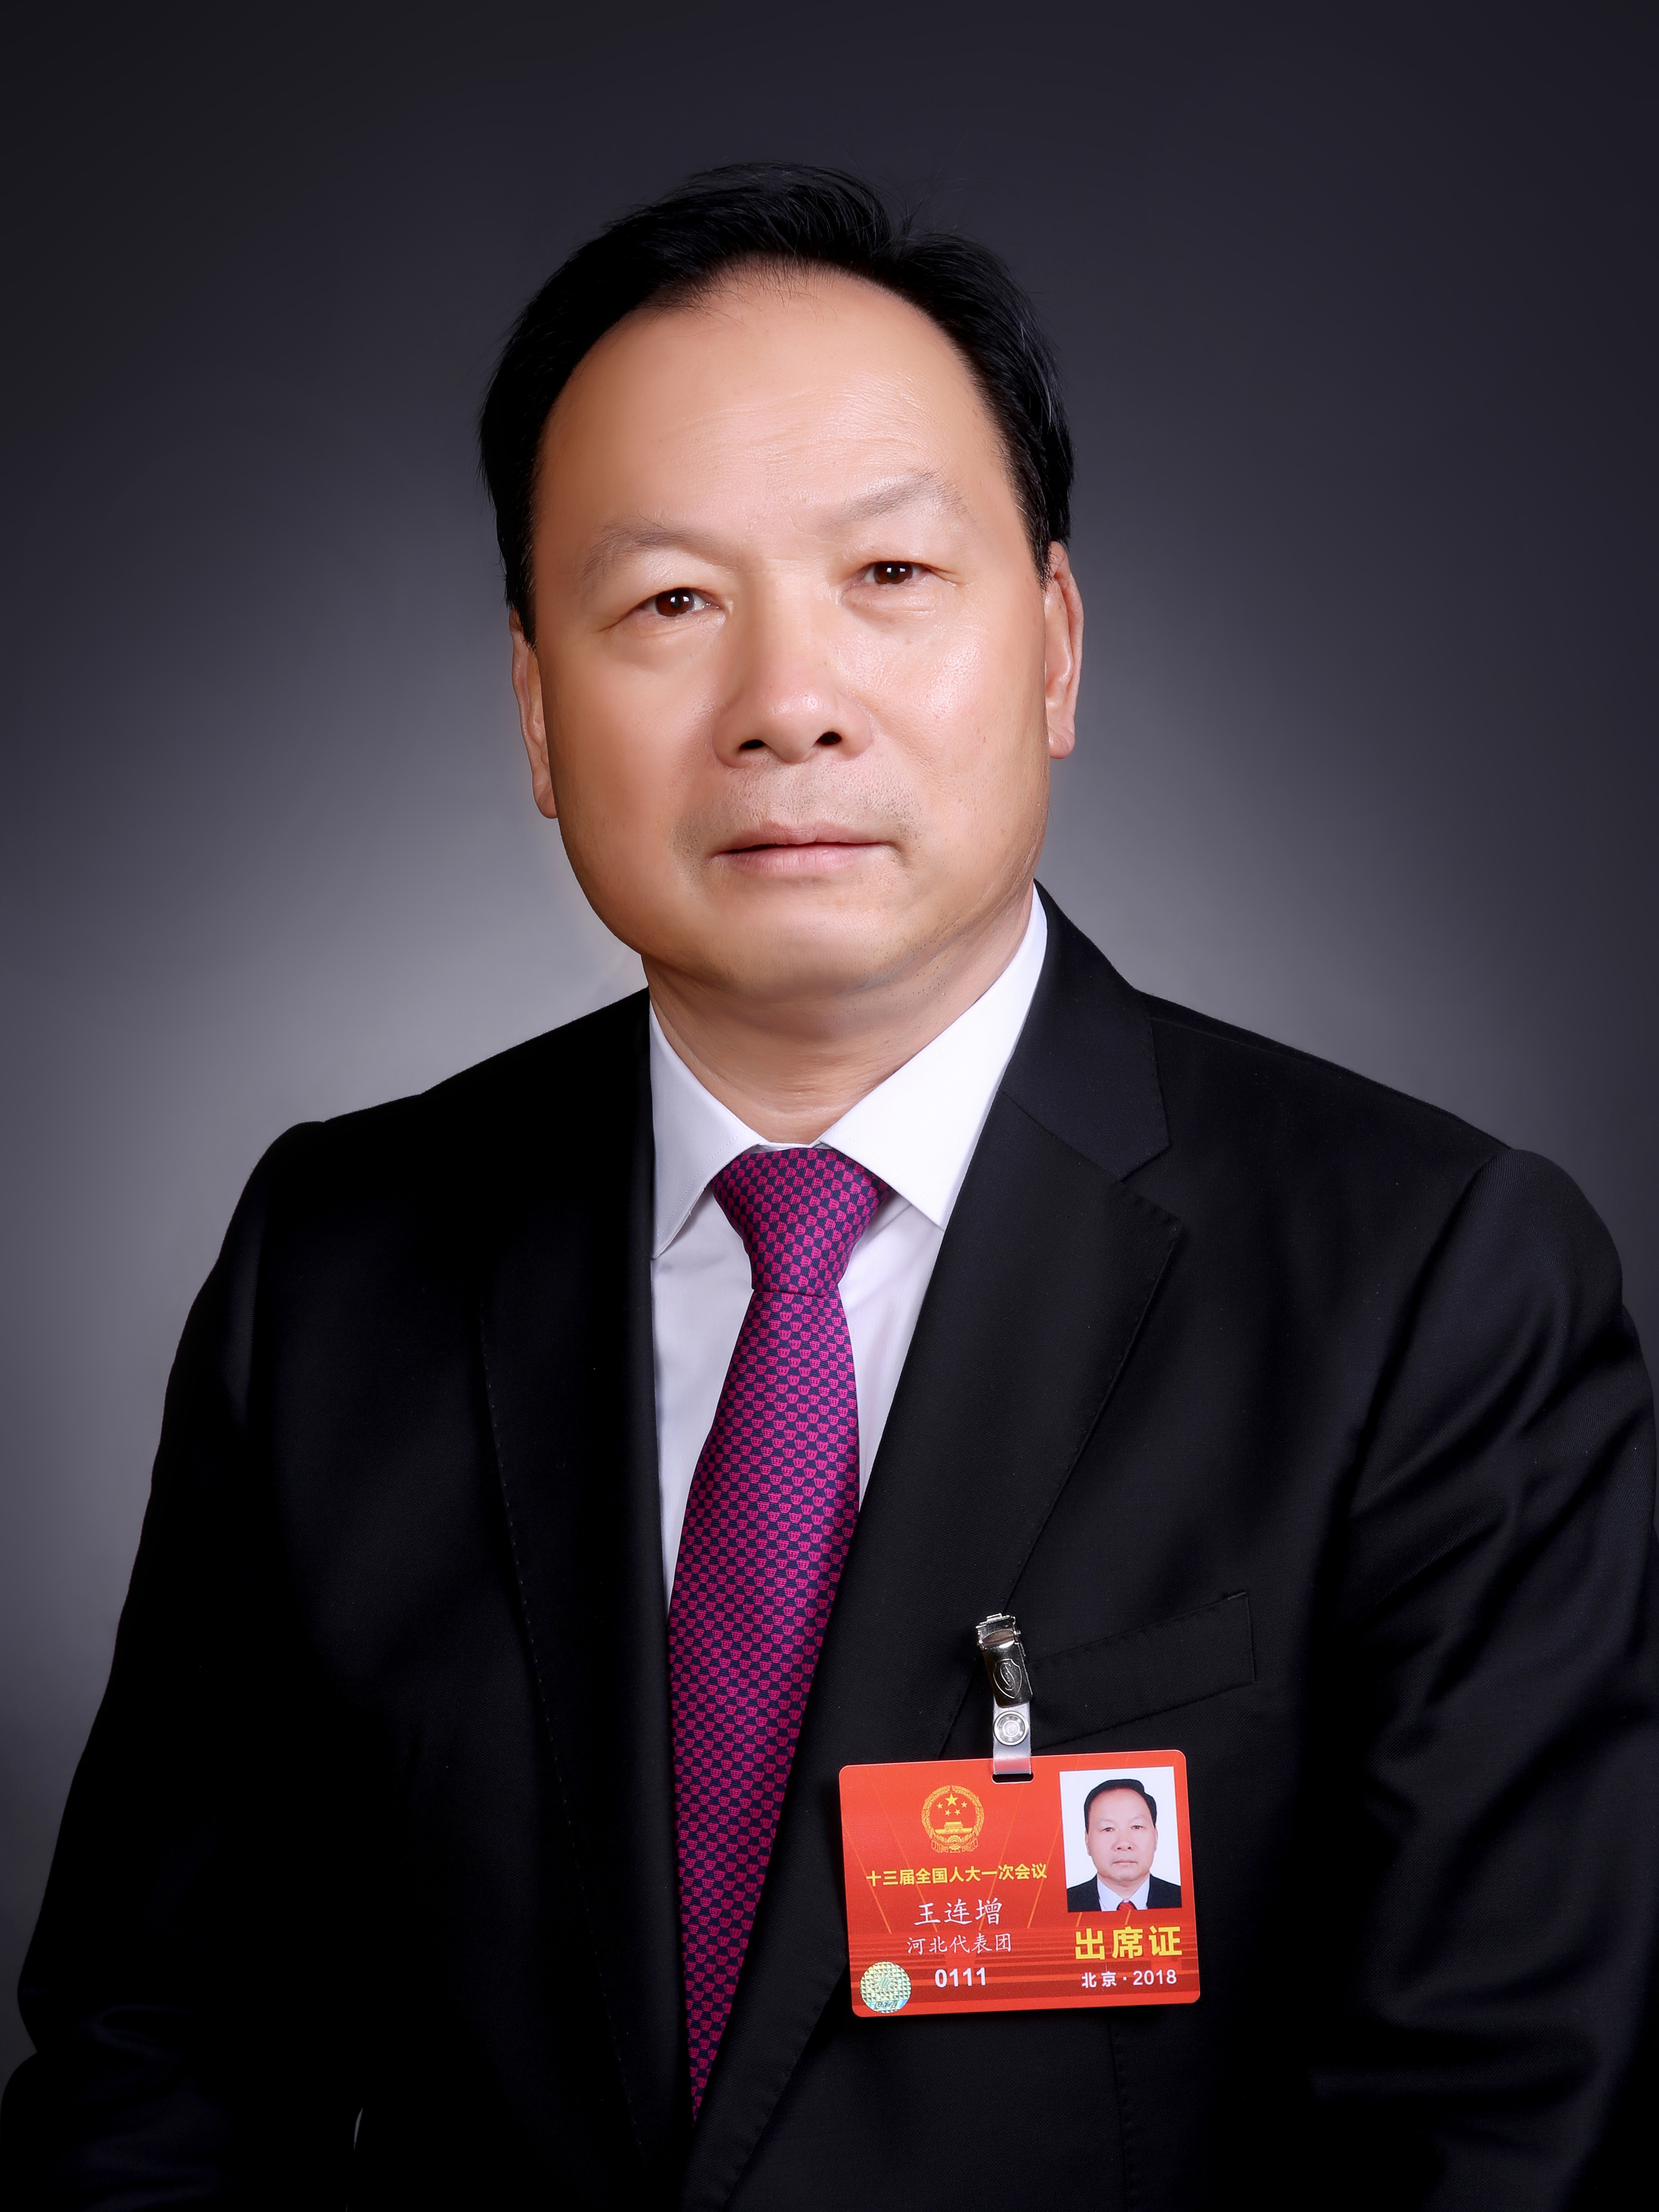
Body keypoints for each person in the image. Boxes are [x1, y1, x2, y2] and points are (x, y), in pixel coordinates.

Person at [2, 163, 1656, 2211]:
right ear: (536, 710)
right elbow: (163, 2067)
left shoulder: (1430, 1288)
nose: (786, 703)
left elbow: (1495, 2129)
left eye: (887, 573)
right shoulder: (338, 1271)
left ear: (1053, 649)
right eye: (669, 604)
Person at [1065, 1778, 1182, 1912]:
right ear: (1087, 1841)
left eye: (1137, 1827)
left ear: (1156, 1837)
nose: (1124, 1844)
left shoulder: (1185, 1900)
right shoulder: (1062, 1906)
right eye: (1108, 1829)